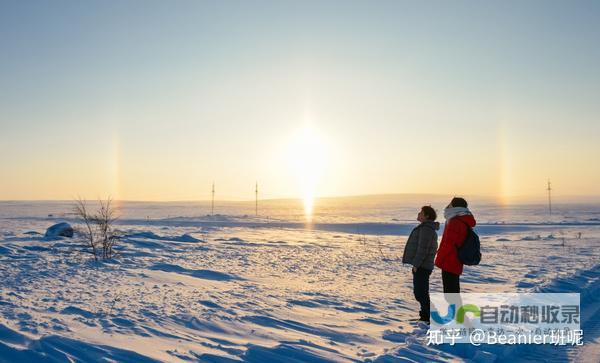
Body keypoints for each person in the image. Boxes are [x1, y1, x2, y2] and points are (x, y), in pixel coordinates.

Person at [402, 206, 439, 322]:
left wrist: (416, 264)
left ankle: (431, 317)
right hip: (422, 265)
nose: (418, 214)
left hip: (422, 266)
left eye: (421, 213)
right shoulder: (425, 228)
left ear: (427, 216)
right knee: (421, 292)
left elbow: (423, 249)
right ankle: (425, 316)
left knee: (420, 293)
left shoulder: (426, 229)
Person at [434, 197, 476, 293]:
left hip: (449, 260)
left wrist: (439, 259)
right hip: (456, 260)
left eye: (450, 203)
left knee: (450, 293)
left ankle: (455, 308)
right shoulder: (462, 219)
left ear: (454, 206)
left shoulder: (455, 222)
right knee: (453, 291)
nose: (448, 205)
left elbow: (449, 244)